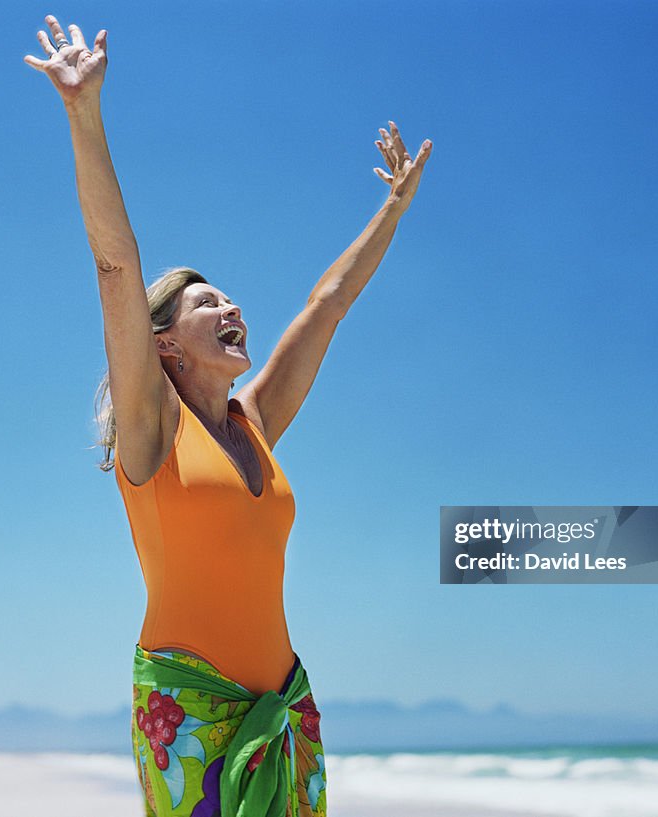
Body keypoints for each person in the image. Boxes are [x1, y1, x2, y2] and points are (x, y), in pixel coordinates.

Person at [24, 15, 431, 817]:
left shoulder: (254, 424)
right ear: (165, 343)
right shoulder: (153, 428)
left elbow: (329, 304)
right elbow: (115, 267)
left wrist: (393, 210)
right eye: (209, 303)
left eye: (231, 297)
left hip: (283, 714)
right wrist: (83, 112)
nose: (234, 306)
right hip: (193, 717)